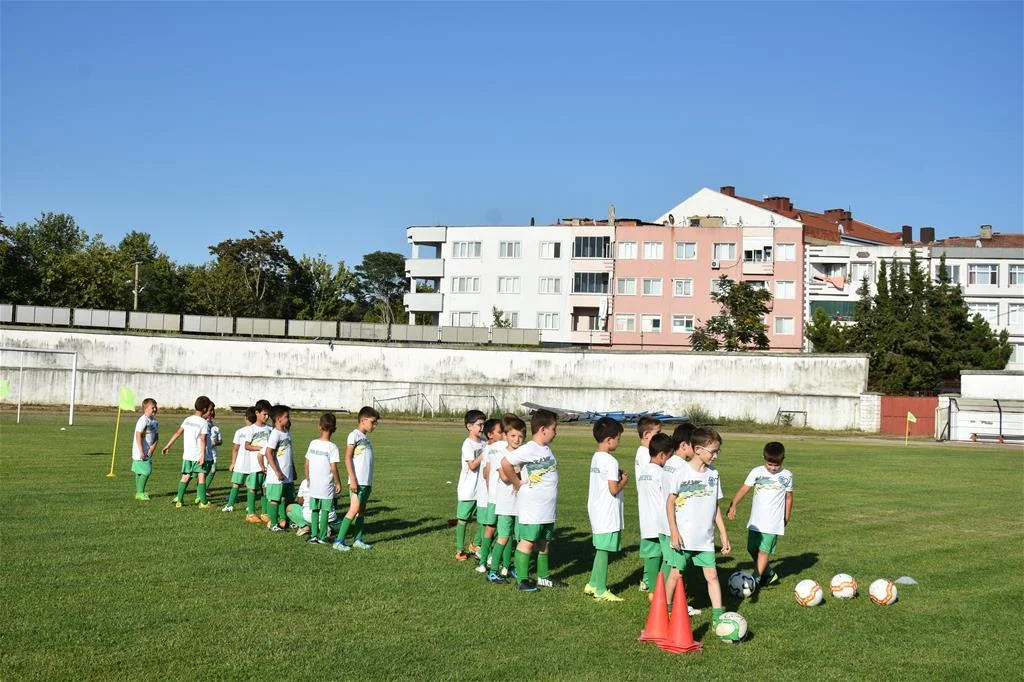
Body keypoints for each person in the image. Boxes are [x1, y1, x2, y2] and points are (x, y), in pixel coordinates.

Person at [666, 426, 731, 628]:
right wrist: (674, 532)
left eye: (718, 451)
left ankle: (718, 617)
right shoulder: (681, 472)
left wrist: (723, 533)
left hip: (705, 538)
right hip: (684, 537)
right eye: (713, 451)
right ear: (698, 450)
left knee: (712, 576)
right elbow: (670, 503)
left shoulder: (714, 474)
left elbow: (715, 505)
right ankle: (665, 609)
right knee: (677, 574)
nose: (716, 456)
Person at [500, 409, 566, 592]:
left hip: (547, 506)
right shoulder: (528, 449)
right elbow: (505, 463)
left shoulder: (546, 449)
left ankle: (544, 577)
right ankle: (522, 579)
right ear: (543, 429)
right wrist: (517, 482)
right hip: (533, 506)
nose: (556, 433)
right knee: (528, 541)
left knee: (545, 541)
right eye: (554, 428)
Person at [727, 441, 793, 589]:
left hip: (773, 522)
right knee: (752, 548)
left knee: (764, 552)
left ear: (782, 460)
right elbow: (745, 489)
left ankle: (755, 580)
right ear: (764, 458)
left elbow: (788, 498)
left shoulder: (787, 475)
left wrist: (786, 516)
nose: (773, 468)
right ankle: (768, 572)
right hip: (756, 521)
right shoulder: (756, 472)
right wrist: (734, 504)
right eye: (770, 464)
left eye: (776, 465)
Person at [584, 416, 628, 602]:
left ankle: (593, 583)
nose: (618, 442)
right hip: (607, 510)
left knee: (601, 547)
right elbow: (613, 489)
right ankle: (601, 589)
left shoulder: (597, 456)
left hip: (596, 507)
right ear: (610, 440)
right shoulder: (611, 461)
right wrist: (624, 480)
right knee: (603, 550)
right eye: (618, 438)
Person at [333, 406, 379, 551]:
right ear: (363, 420)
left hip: (366, 482)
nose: (375, 425)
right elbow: (347, 458)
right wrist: (352, 479)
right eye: (373, 422)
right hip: (357, 481)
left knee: (362, 511)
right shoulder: (354, 435)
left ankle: (358, 539)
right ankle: (339, 541)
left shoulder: (366, 438)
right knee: (353, 509)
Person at [486, 414, 525, 584]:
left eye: (521, 436)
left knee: (520, 538)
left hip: (522, 502)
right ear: (506, 436)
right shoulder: (502, 453)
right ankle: (493, 571)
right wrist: (518, 471)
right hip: (506, 502)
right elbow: (504, 477)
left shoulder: (525, 453)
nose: (517, 440)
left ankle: (514, 568)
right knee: (503, 537)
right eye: (513, 436)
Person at [635, 432, 674, 602]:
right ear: (662, 455)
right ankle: (661, 590)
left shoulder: (644, 470)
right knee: (667, 556)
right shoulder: (660, 473)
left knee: (652, 556)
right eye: (669, 457)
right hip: (659, 522)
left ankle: (652, 589)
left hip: (646, 520)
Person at [162, 396, 213, 508]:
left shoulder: (188, 419)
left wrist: (167, 445)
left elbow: (177, 433)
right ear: (205, 409)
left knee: (185, 476)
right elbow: (203, 440)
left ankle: (179, 500)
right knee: (201, 477)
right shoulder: (203, 423)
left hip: (187, 455)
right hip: (197, 455)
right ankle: (203, 503)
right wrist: (203, 455)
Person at [633, 415, 661, 590]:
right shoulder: (645, 454)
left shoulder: (641, 452)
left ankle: (646, 579)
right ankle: (650, 583)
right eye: (657, 433)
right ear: (646, 435)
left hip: (648, 502)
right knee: (653, 545)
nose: (659, 436)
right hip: (651, 503)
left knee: (652, 544)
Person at [304, 413, 342, 545]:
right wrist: (338, 482)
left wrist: (308, 479)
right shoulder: (332, 447)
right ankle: (323, 536)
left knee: (314, 510)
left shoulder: (313, 443)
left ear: (320, 427)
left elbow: (307, 464)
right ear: (334, 429)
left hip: (314, 484)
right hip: (326, 485)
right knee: (325, 510)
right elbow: (333, 467)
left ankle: (313, 535)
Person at [454, 410, 486, 561]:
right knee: (463, 520)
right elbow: (472, 465)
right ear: (469, 426)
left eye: (483, 424)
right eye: (479, 424)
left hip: (482, 490)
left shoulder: (484, 442)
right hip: (468, 489)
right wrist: (484, 453)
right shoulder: (467, 445)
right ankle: (460, 550)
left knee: (486, 520)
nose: (482, 427)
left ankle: (476, 543)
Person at [475, 418, 504, 574]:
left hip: (491, 495)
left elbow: (487, 472)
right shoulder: (497, 448)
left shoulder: (488, 448)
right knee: (497, 528)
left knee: (492, 527)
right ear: (491, 435)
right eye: (501, 432)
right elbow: (487, 473)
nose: (504, 434)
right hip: (494, 496)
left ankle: (485, 558)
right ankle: (488, 556)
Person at [263, 404, 294, 532]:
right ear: (278, 419)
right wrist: (277, 471)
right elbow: (268, 453)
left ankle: (288, 521)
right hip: (277, 476)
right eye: (286, 416)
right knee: (274, 499)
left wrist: (294, 470)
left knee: (286, 498)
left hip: (288, 474)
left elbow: (288, 454)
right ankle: (273, 523)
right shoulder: (275, 434)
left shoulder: (286, 433)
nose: (288, 419)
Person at [222, 407, 256, 513]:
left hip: (240, 463)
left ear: (246, 418)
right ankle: (250, 507)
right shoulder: (258, 431)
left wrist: (233, 463)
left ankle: (230, 505)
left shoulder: (239, 432)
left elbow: (235, 448)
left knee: (236, 484)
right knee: (251, 486)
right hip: (253, 464)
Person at [244, 400, 272, 524]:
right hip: (255, 465)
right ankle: (251, 513)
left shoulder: (269, 429)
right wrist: (260, 448)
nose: (266, 417)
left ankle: (265, 513)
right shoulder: (251, 429)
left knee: (265, 488)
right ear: (257, 413)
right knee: (253, 489)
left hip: (267, 464)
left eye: (268, 415)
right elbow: (246, 446)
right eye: (264, 414)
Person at [131, 398, 159, 501]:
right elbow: (138, 435)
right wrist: (141, 450)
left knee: (140, 472)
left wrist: (152, 448)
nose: (155, 409)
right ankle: (140, 492)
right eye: (152, 407)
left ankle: (139, 492)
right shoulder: (143, 420)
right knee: (146, 471)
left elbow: (156, 437)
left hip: (148, 451)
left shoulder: (155, 422)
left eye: (156, 407)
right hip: (140, 451)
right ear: (145, 408)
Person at [199, 407, 221, 503]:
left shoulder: (216, 428)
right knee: (204, 473)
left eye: (212, 417)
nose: (210, 418)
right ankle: (202, 490)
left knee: (213, 470)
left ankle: (204, 489)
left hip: (213, 453)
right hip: (205, 452)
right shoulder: (204, 425)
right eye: (209, 417)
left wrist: (217, 442)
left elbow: (220, 441)